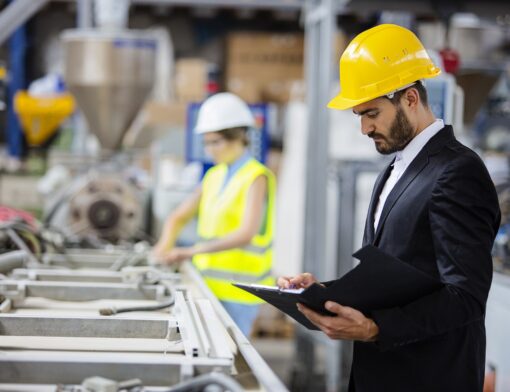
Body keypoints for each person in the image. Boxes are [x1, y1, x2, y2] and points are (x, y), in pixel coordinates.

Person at [278, 24, 501, 391]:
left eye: (372, 113)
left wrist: (376, 327)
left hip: (429, 376)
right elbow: (398, 278)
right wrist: (324, 293)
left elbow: (465, 296)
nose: (365, 128)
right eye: (360, 116)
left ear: (410, 99)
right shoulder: (395, 171)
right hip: (382, 373)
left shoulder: (457, 172)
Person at [153, 92, 275, 337]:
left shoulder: (256, 176)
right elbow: (178, 216)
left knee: (234, 365)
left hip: (240, 293)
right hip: (208, 286)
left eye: (216, 142)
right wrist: (162, 246)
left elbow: (246, 233)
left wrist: (189, 251)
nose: (210, 150)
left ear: (239, 137)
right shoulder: (214, 176)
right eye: (206, 143)